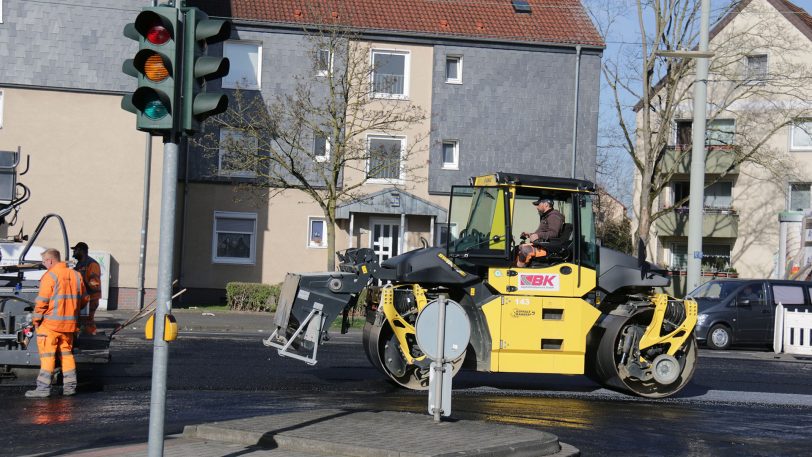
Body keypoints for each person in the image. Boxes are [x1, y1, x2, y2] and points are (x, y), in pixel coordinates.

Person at [26, 248, 88, 398]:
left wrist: (35, 320)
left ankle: (42, 389)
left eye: (44, 262)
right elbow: (85, 299)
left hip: (50, 326)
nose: (43, 265)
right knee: (67, 355)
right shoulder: (76, 275)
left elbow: (42, 302)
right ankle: (70, 387)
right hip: (69, 326)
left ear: (50, 260)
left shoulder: (50, 276)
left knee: (48, 356)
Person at [516, 197, 565, 268]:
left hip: (547, 249)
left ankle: (518, 271)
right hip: (542, 245)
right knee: (519, 247)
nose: (537, 207)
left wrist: (538, 235)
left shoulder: (554, 216)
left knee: (525, 250)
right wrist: (530, 234)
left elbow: (554, 233)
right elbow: (543, 232)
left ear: (546, 204)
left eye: (538, 204)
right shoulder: (546, 216)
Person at [72, 242, 102, 335]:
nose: (73, 253)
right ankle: (83, 336)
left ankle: (90, 337)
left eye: (75, 250)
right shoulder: (79, 264)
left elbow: (94, 283)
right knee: (81, 321)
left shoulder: (91, 264)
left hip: (91, 298)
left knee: (88, 321)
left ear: (81, 250)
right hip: (83, 298)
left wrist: (83, 284)